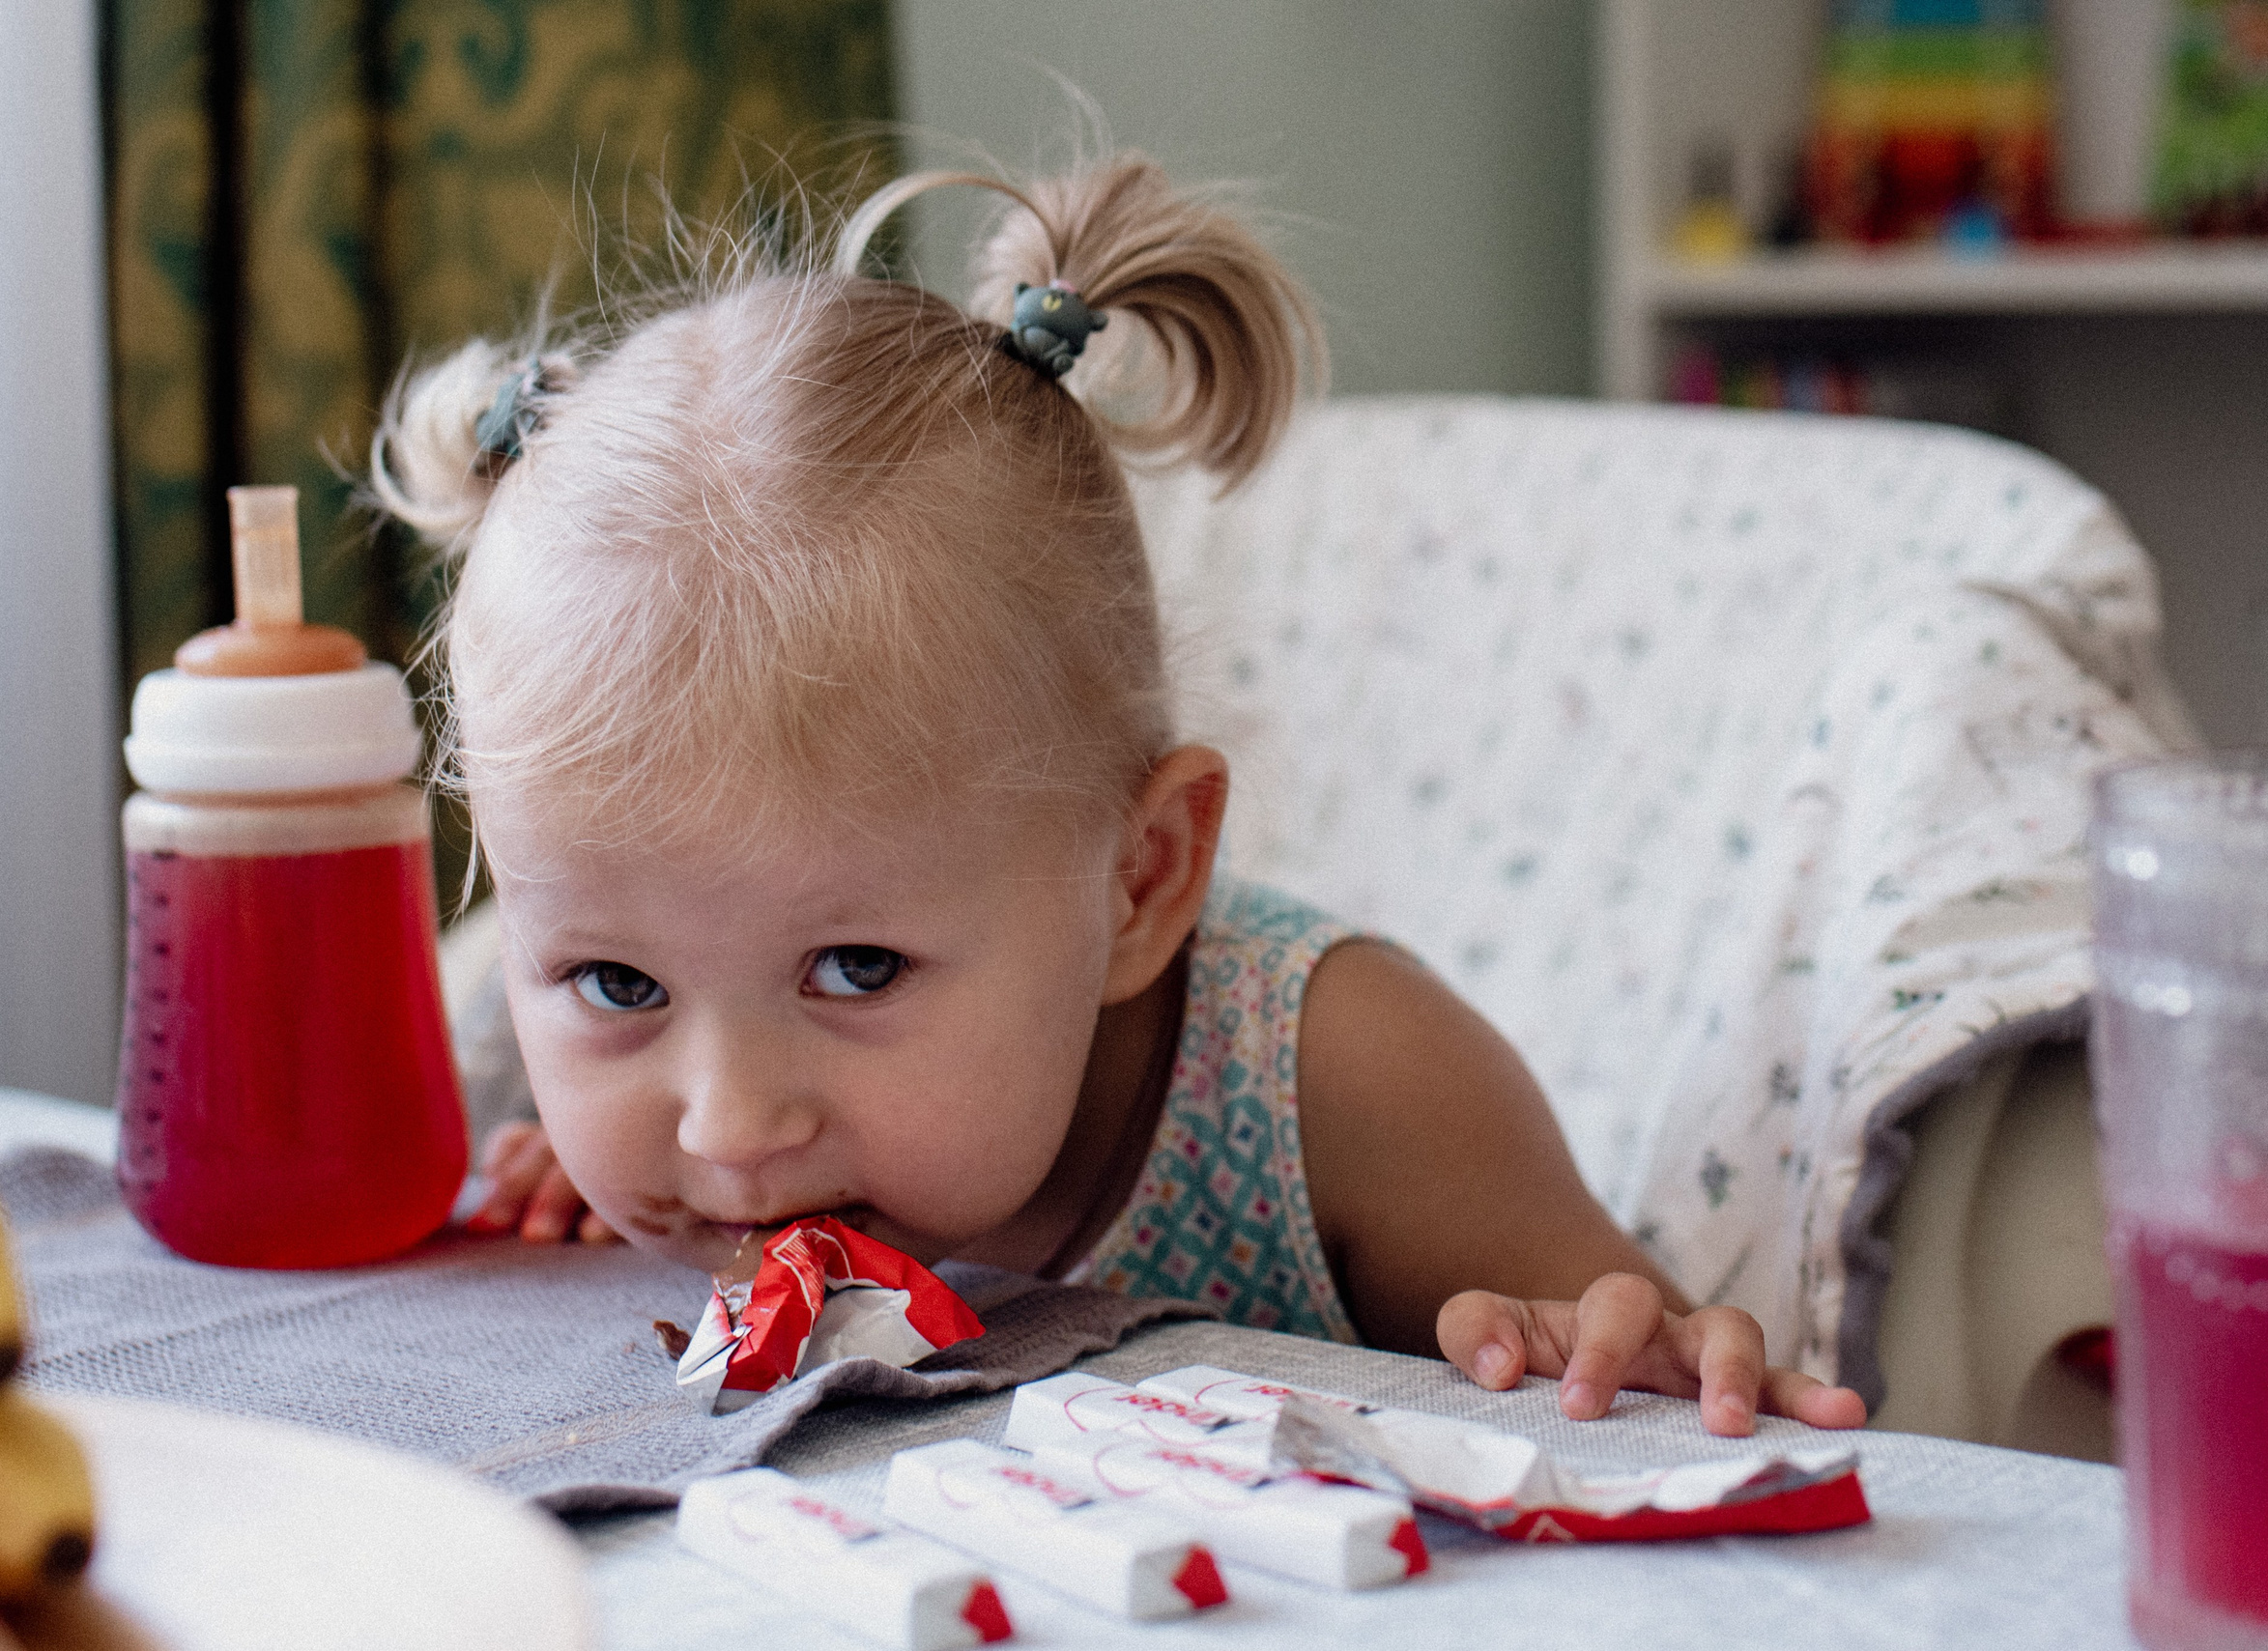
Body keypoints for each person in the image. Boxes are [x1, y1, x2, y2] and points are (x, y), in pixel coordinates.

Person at [369, 155, 1866, 1438]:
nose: (730, 1126)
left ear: (1141, 877)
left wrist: (1621, 1357)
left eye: (857, 967)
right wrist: (572, 1203)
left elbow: (1663, 1379)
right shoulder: (616, 1117)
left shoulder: (1338, 1082)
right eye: (619, 981)